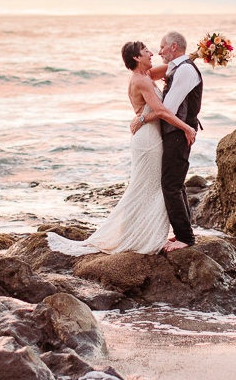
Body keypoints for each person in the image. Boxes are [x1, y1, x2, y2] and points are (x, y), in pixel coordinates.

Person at [45, 41, 196, 257]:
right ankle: (136, 234)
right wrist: (186, 128)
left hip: (149, 135)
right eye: (146, 52)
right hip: (148, 140)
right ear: (136, 57)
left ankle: (142, 231)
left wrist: (199, 54)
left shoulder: (146, 74)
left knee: (149, 186)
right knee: (148, 186)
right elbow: (162, 111)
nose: (152, 53)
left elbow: (175, 66)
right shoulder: (141, 80)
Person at [130, 31, 202, 249]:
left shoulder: (185, 70)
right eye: (150, 50)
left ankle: (185, 238)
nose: (157, 51)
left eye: (161, 47)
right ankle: (184, 234)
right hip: (171, 132)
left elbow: (167, 109)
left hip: (177, 133)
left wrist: (142, 118)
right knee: (174, 184)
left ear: (173, 47)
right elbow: (152, 74)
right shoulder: (177, 68)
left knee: (171, 185)